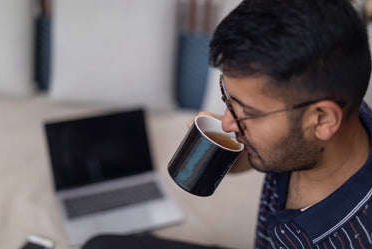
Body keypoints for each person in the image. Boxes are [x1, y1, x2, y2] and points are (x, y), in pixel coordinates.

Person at [83, 0, 372, 248]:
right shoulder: (336, 112)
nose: (227, 121)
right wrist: (226, 153)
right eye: (227, 96)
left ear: (322, 119)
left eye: (248, 112)